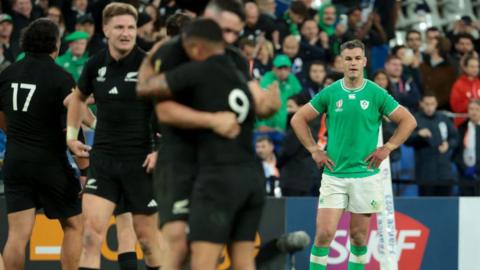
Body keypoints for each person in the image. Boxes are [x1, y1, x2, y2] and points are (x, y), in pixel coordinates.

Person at [137, 1, 280, 269]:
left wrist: (269, 103)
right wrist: (212, 120)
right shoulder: (173, 52)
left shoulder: (234, 57)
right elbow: (164, 110)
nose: (229, 39)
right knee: (178, 244)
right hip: (180, 160)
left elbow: (256, 103)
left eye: (235, 33)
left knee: (209, 249)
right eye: (224, 30)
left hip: (219, 164)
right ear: (205, 21)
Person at [290, 39, 416, 270]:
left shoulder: (376, 93)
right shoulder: (330, 93)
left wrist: (388, 147)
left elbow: (408, 120)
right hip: (334, 175)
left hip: (366, 175)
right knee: (324, 234)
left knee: (358, 237)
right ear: (341, 62)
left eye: (358, 58)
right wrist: (313, 150)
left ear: (365, 61)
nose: (353, 63)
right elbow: (298, 118)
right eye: (348, 59)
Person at [65, 3, 162, 270]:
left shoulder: (148, 65)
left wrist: (160, 149)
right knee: (90, 237)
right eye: (119, 27)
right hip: (104, 162)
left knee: (148, 241)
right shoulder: (95, 63)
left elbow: (168, 110)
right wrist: (71, 136)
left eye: (131, 27)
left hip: (141, 163)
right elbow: (77, 99)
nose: (126, 33)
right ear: (106, 29)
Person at [0, 18, 83, 270]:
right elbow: (72, 126)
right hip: (50, 163)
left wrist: (18, 135)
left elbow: (2, 118)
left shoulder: (7, 73)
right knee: (74, 225)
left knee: (17, 235)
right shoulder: (61, 77)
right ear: (56, 46)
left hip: (15, 160)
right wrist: (85, 170)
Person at [406, 94, 458, 196]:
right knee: (426, 207)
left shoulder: (443, 118)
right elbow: (406, 140)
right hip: (426, 174)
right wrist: (418, 135)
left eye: (432, 104)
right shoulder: (415, 119)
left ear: (436, 104)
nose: (430, 107)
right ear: (421, 104)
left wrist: (448, 144)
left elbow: (455, 137)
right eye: (427, 104)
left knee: (446, 206)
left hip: (445, 173)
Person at [450, 54, 480, 126]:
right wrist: (471, 103)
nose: (475, 69)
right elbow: (455, 107)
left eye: (477, 67)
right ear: (465, 68)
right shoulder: (458, 85)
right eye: (472, 66)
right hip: (464, 122)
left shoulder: (479, 83)